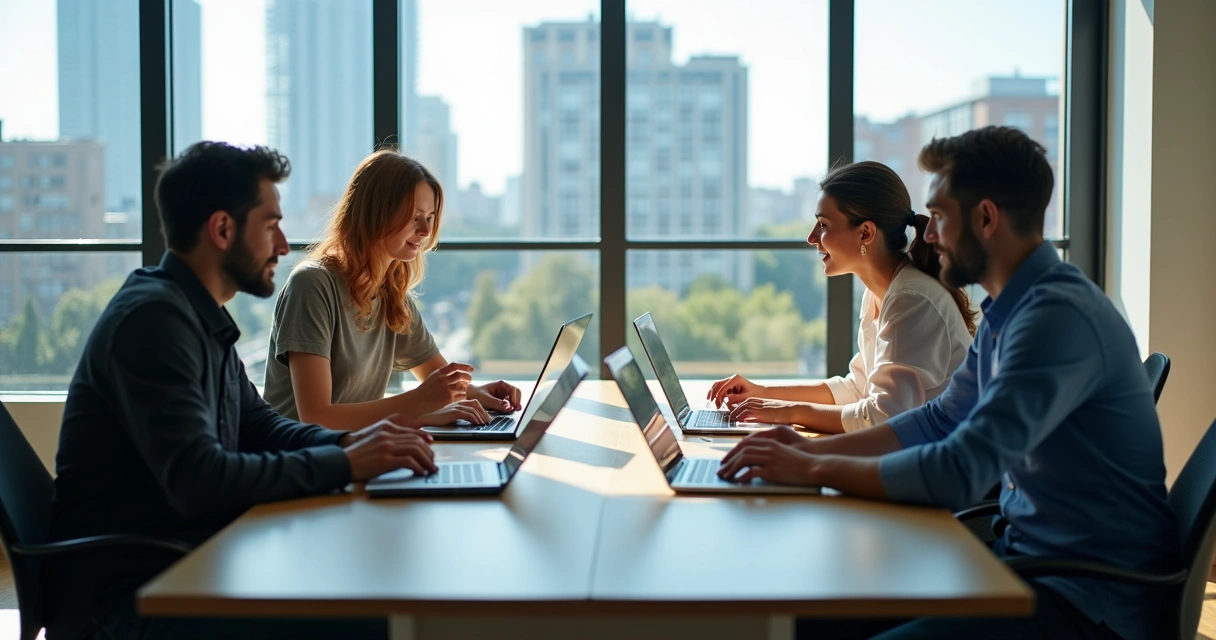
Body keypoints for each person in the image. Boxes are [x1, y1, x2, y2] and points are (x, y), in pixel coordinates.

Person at [717, 126, 1177, 640]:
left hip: (1085, 604)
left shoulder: (1055, 319)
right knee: (812, 616)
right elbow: (939, 419)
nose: (927, 235)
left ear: (985, 218)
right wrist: (805, 455)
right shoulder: (1013, 309)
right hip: (1024, 563)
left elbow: (960, 468)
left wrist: (813, 465)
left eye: (938, 218)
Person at [47, 142, 444, 640]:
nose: (283, 244)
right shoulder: (153, 322)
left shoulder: (195, 315)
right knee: (368, 617)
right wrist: (346, 463)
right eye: (270, 225)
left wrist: (354, 446)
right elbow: (201, 477)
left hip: (191, 559)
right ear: (222, 229)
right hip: (130, 602)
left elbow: (261, 426)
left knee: (368, 591)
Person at [262, 150, 521, 432]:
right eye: (415, 217)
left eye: (431, 217)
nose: (425, 230)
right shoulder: (312, 285)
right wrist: (418, 411)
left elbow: (436, 379)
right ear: (376, 213)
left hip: (354, 454)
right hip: (299, 462)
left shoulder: (392, 296)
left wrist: (481, 395)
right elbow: (317, 418)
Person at [708, 161, 976, 434]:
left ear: (865, 233)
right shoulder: (879, 294)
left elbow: (883, 418)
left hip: (946, 470)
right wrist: (762, 392)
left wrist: (788, 412)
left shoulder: (912, 299)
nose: (812, 238)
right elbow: (858, 388)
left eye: (823, 224)